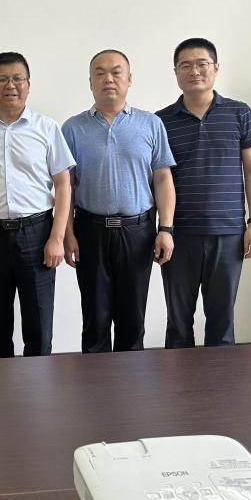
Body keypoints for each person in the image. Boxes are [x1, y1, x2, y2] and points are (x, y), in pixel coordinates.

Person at [62, 50, 176, 353]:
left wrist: (166, 229)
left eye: (116, 72)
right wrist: (67, 234)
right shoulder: (72, 128)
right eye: (99, 73)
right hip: (90, 231)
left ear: (129, 79)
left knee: (132, 320)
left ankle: (131, 381)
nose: (108, 79)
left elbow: (163, 179)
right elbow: (66, 186)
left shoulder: (151, 124)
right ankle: (95, 382)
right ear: (90, 82)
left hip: (137, 232)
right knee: (95, 320)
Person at [156, 37, 251, 347]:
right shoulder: (161, 121)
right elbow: (159, 180)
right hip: (179, 235)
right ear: (176, 73)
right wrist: (163, 230)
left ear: (216, 68)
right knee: (178, 323)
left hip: (228, 233)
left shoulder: (239, 113)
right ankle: (180, 378)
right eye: (185, 66)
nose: (194, 71)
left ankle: (221, 379)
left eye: (202, 64)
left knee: (221, 320)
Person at [0, 52, 74, 358]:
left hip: (37, 234)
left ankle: (38, 387)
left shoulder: (47, 128)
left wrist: (57, 237)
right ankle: (0, 385)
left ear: (28, 84)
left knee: (38, 327)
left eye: (17, 79)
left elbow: (63, 184)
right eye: (2, 79)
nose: (10, 85)